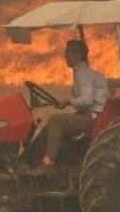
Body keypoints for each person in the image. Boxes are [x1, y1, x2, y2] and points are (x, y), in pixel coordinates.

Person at [29, 39, 109, 175]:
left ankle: (47, 163)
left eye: (68, 54)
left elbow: (87, 99)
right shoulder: (84, 72)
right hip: (90, 116)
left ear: (77, 56)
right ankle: (30, 160)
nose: (65, 57)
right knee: (51, 127)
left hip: (94, 119)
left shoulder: (83, 73)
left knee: (56, 120)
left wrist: (68, 101)